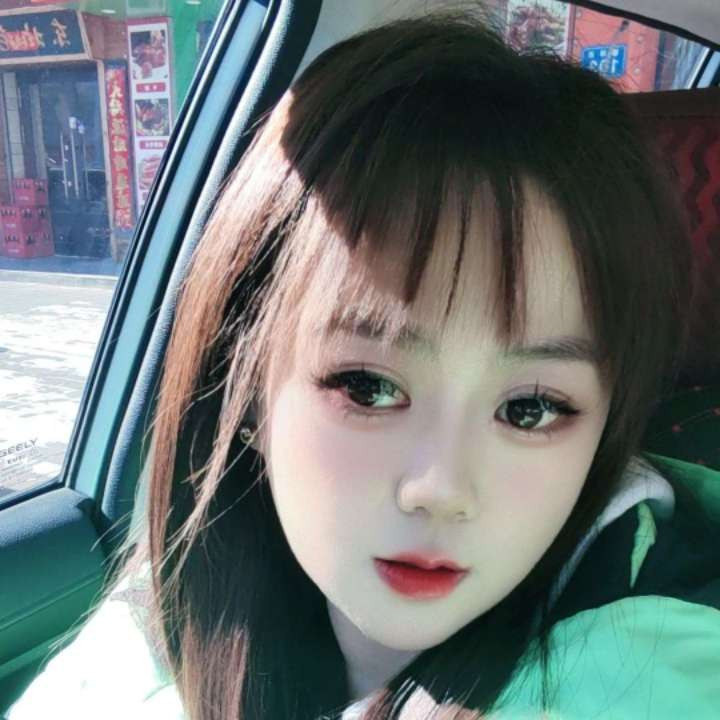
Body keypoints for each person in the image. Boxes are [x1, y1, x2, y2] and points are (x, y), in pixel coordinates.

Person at [8, 11, 720, 720]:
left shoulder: (653, 675)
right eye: (368, 387)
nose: (439, 489)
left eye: (530, 409)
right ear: (246, 389)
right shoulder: (162, 608)